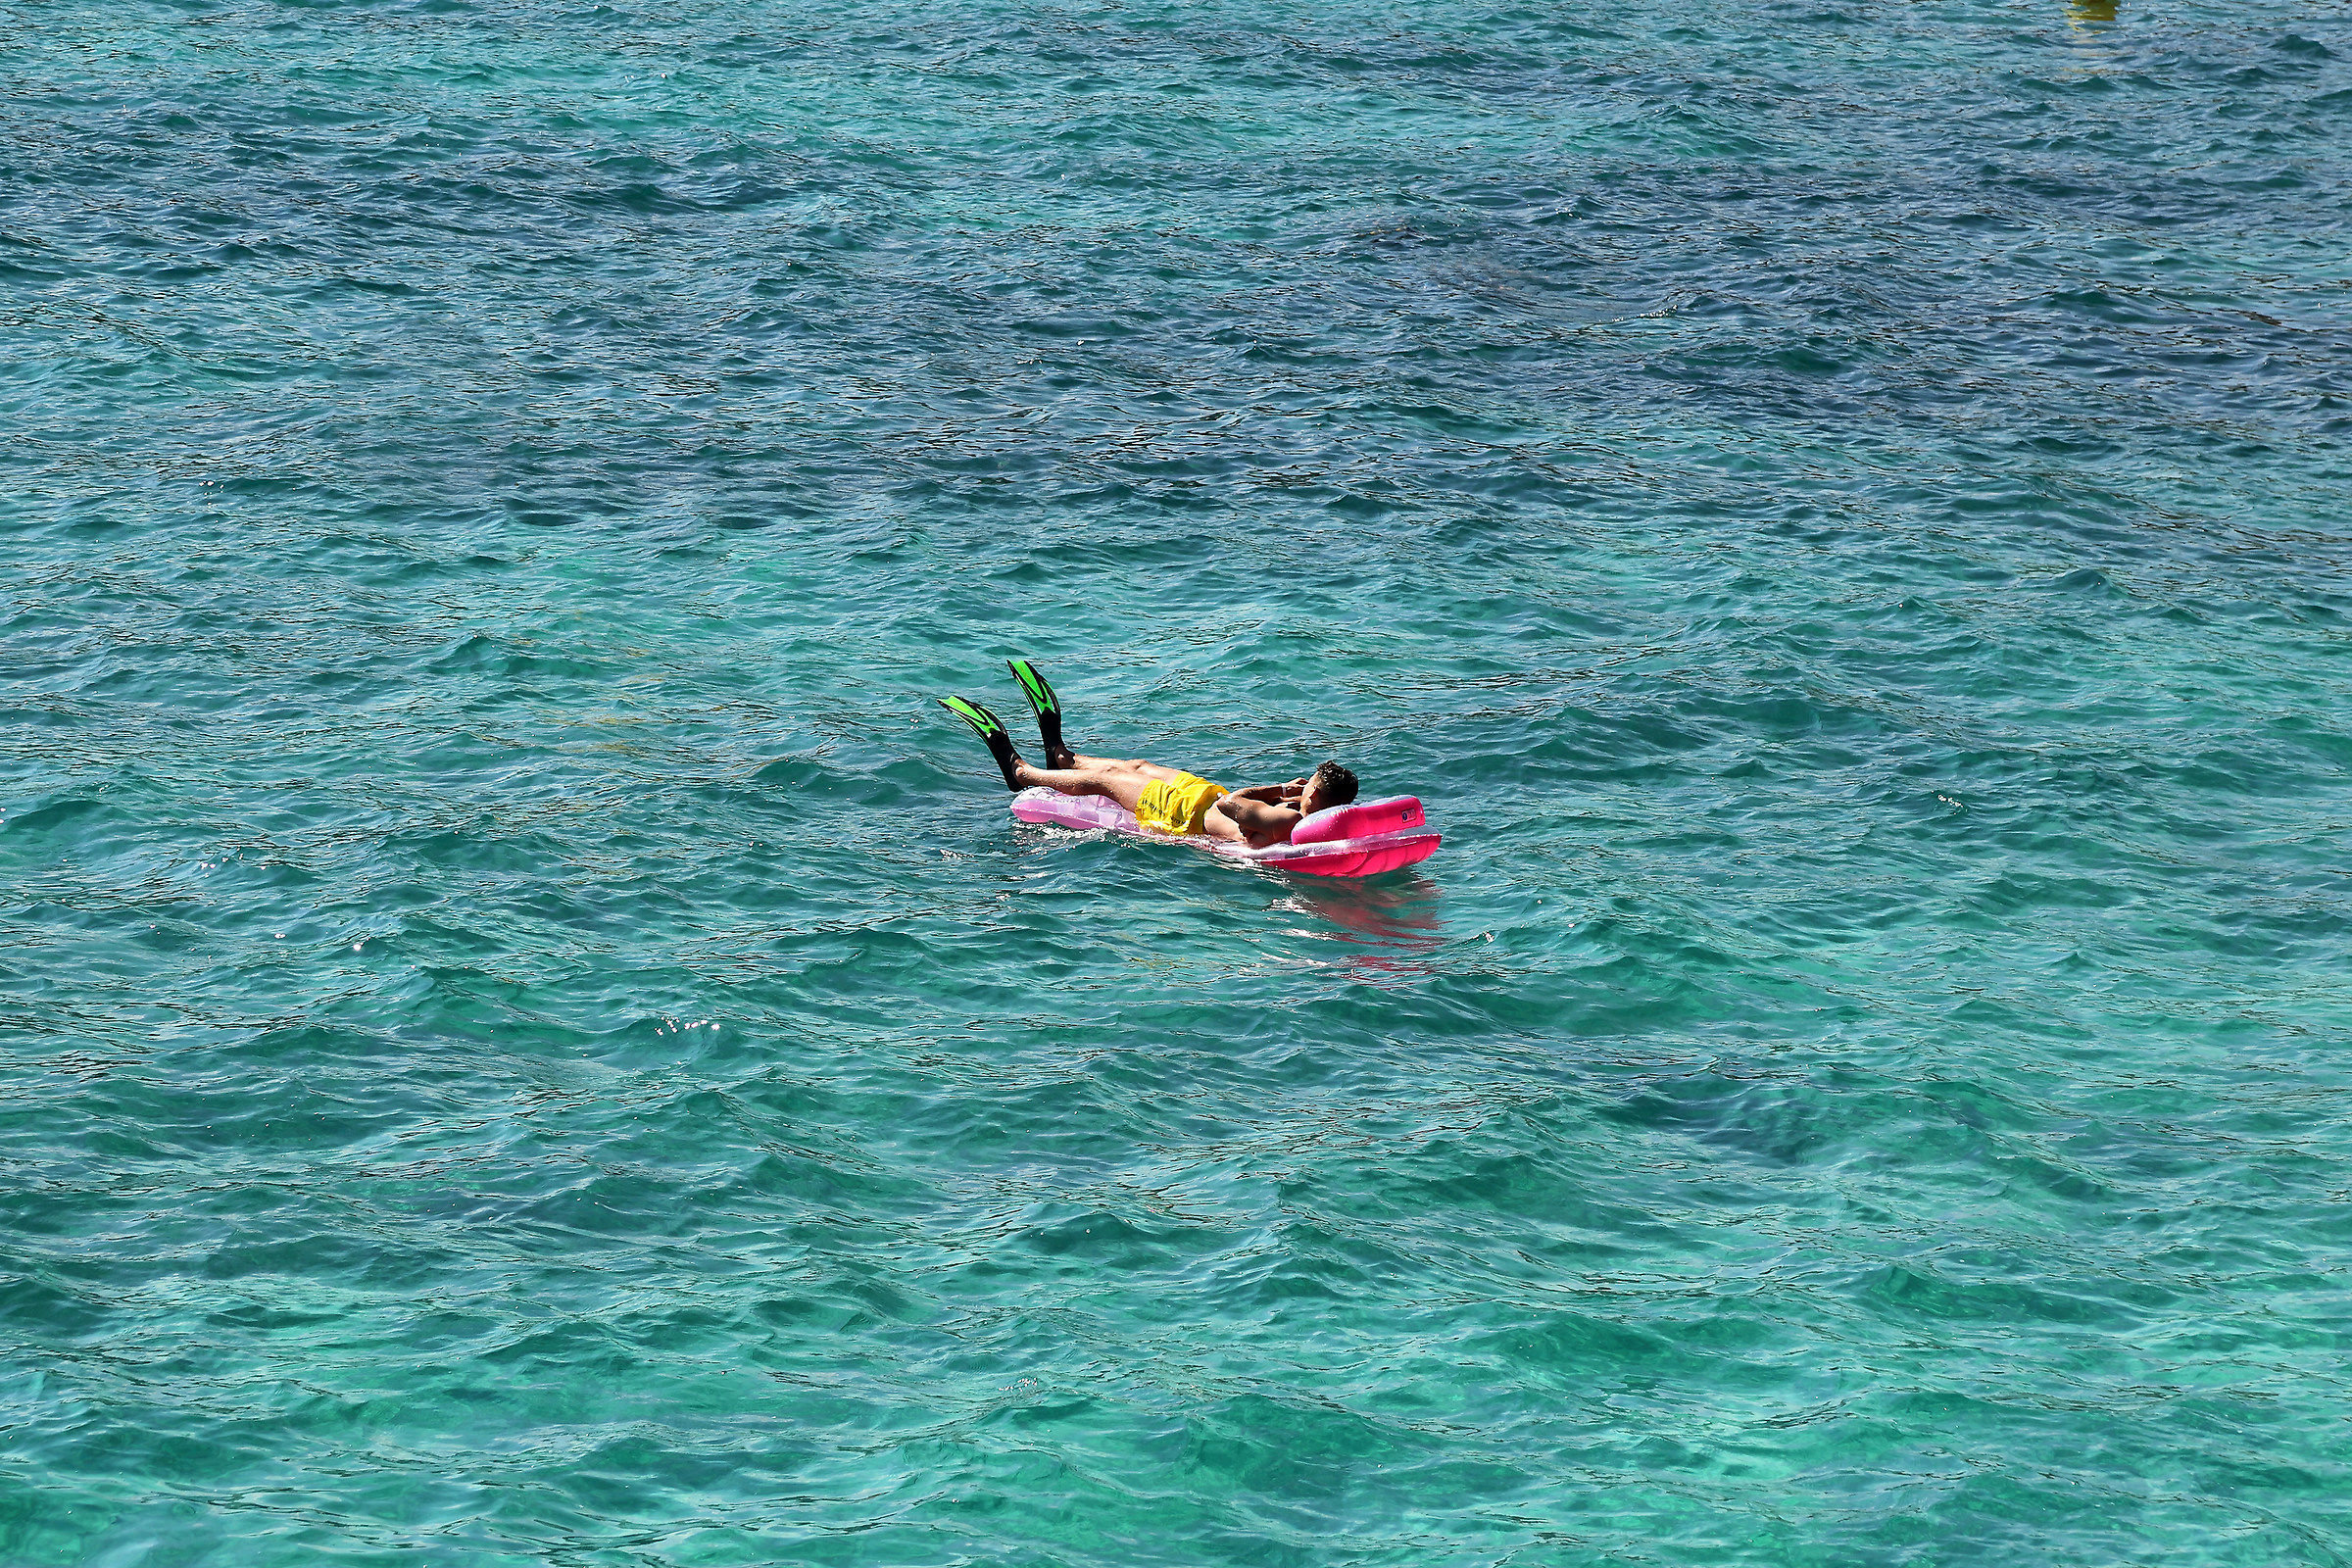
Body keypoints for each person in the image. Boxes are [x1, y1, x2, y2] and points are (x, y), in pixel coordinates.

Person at [940, 660, 1359, 850]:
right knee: (1136, 765)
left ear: (1317, 800)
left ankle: (1021, 773)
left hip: (1185, 814)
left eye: (1311, 786)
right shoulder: (1307, 817)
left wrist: (1279, 788)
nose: (1305, 788)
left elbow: (1233, 805)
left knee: (1108, 782)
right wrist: (1286, 793)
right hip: (1198, 796)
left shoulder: (1289, 818)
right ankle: (1062, 758)